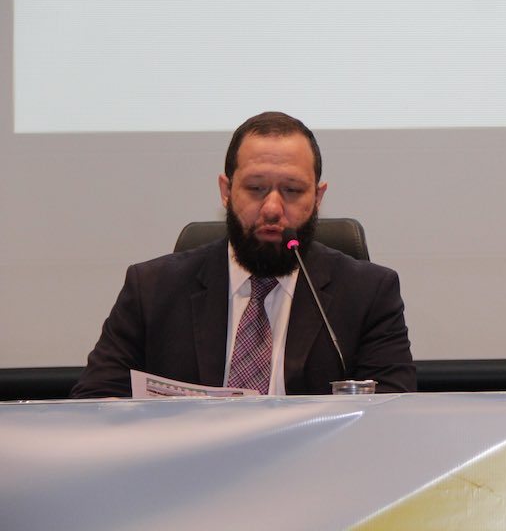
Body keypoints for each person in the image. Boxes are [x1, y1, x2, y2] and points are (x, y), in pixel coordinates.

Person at [71, 112, 415, 398]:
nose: (272, 208)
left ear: (318, 198)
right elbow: (94, 402)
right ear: (226, 191)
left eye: (292, 190)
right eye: (255, 188)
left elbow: (392, 412)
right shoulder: (152, 289)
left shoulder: (368, 294)